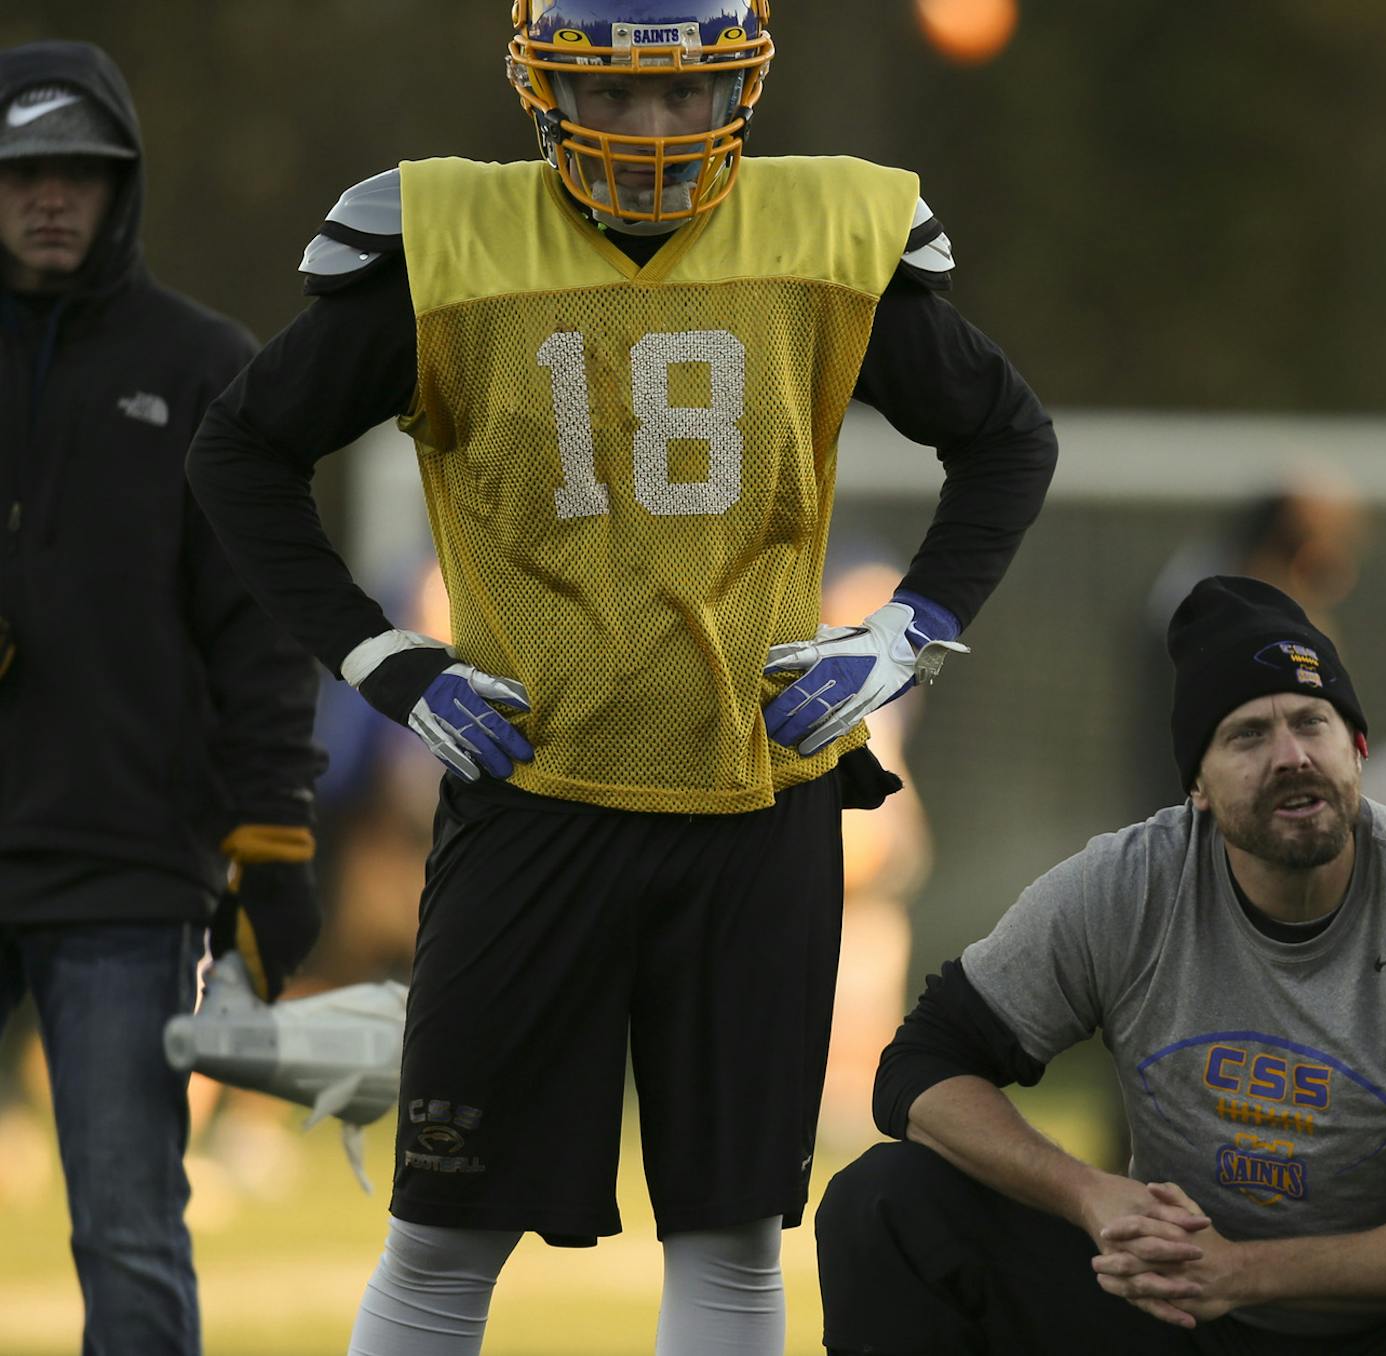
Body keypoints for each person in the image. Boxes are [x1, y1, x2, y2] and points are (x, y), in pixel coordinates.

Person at [183, 3, 1056, 1353]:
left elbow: (1006, 436)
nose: (653, 130)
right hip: (535, 798)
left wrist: (904, 632)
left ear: (743, 88)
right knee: (440, 1243)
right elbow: (240, 450)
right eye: (616, 93)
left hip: (754, 802)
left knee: (730, 1241)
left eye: (687, 95)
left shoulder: (825, 233)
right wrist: (386, 659)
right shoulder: (448, 242)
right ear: (542, 88)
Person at [816, 576, 1386, 1355]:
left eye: (1312, 722)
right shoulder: (1131, 886)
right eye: (1248, 735)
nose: (1291, 755)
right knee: (885, 1202)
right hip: (1174, 1315)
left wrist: (1244, 1272)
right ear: (1199, 789)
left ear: (1358, 746)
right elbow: (920, 1068)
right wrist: (1092, 1196)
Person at [0, 40, 324, 1356]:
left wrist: (275, 831)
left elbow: (261, 625)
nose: (50, 198)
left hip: (127, 867)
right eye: (24, 172)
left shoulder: (204, 366)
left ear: (122, 185)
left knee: (127, 1225)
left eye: (79, 171)